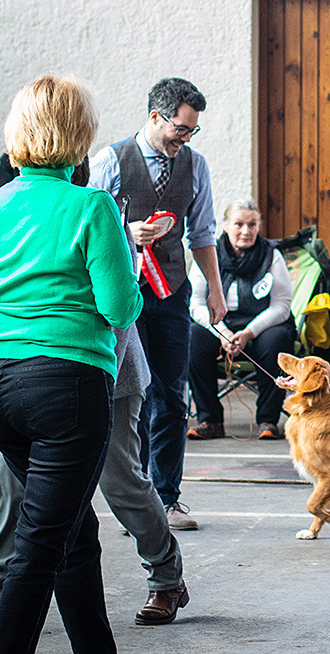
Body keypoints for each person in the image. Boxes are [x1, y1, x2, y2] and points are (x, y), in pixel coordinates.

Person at [0, 197, 187, 637]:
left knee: (122, 483)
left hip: (110, 375)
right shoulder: (17, 210)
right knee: (11, 486)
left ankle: (166, 578)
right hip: (41, 380)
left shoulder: (92, 209)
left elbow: (119, 308)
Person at [0, 75, 142, 652]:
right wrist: (134, 274)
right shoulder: (92, 206)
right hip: (65, 386)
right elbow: (119, 308)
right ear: (79, 135)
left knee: (73, 529)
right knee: (40, 546)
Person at [90, 78, 227, 532]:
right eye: (181, 129)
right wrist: (127, 233)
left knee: (172, 395)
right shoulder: (109, 160)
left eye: (192, 131)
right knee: (132, 395)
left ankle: (167, 499)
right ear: (156, 117)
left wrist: (215, 289)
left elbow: (203, 234)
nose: (184, 139)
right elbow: (87, 225)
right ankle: (135, 502)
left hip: (171, 292)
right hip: (121, 294)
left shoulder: (196, 165)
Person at [187, 198, 296, 440]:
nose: (246, 231)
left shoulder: (272, 256)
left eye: (252, 225)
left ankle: (268, 420)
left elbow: (282, 306)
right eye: (238, 224)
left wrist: (249, 332)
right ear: (225, 226)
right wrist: (222, 332)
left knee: (278, 339)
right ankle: (210, 419)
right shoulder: (208, 253)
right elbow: (194, 304)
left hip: (260, 326)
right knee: (193, 336)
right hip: (218, 324)